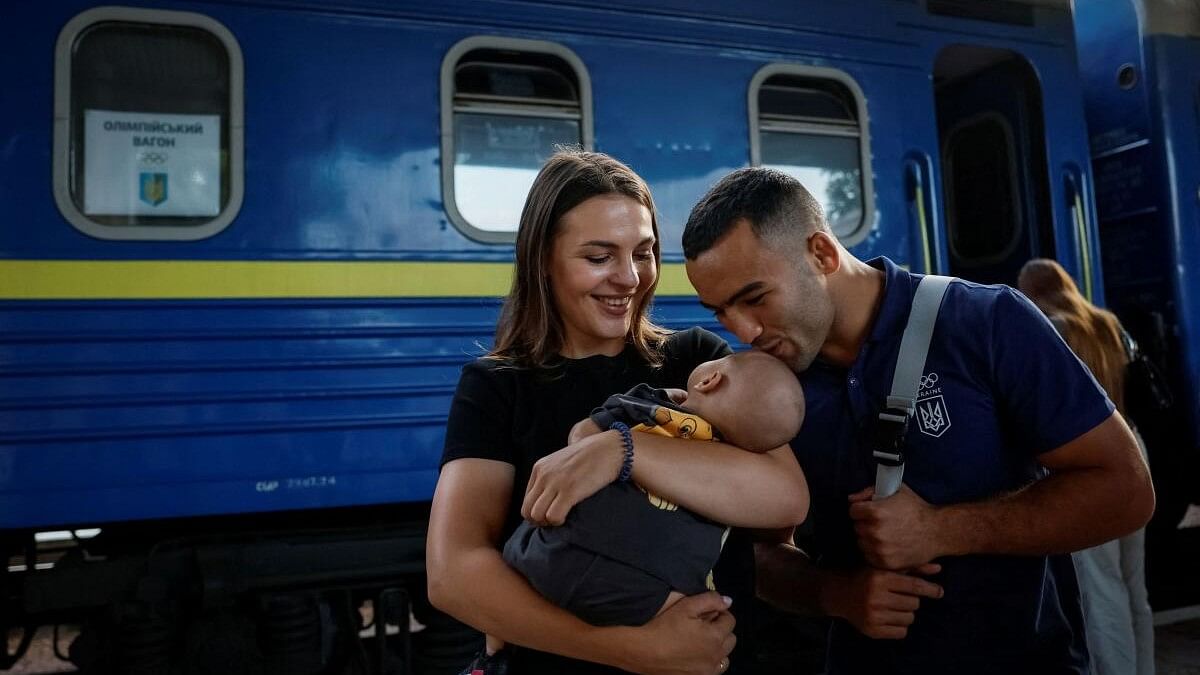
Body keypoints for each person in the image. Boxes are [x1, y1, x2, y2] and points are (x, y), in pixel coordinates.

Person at [680, 167, 1156, 674]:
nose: (744, 330)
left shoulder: (986, 321)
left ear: (820, 252)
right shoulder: (767, 390)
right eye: (720, 313)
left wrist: (945, 529)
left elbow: (1126, 491)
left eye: (754, 299)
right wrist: (836, 593)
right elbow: (757, 555)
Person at [426, 151, 810, 675]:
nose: (630, 278)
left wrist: (624, 451)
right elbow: (453, 572)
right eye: (599, 257)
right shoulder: (497, 387)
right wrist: (633, 651)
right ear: (543, 259)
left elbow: (784, 499)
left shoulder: (697, 362)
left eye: (644, 252)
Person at [464, 351, 806, 674]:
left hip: (555, 550)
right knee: (694, 610)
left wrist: (619, 444)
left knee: (517, 557)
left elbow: (581, 438)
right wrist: (634, 648)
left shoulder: (655, 404)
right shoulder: (740, 451)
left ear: (708, 380)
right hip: (642, 590)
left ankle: (494, 649)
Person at [1018, 257, 1155, 675]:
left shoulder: (1051, 328)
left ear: (1033, 291)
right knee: (1132, 583)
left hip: (1083, 461)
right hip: (1131, 448)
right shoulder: (1107, 324)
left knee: (1096, 589)